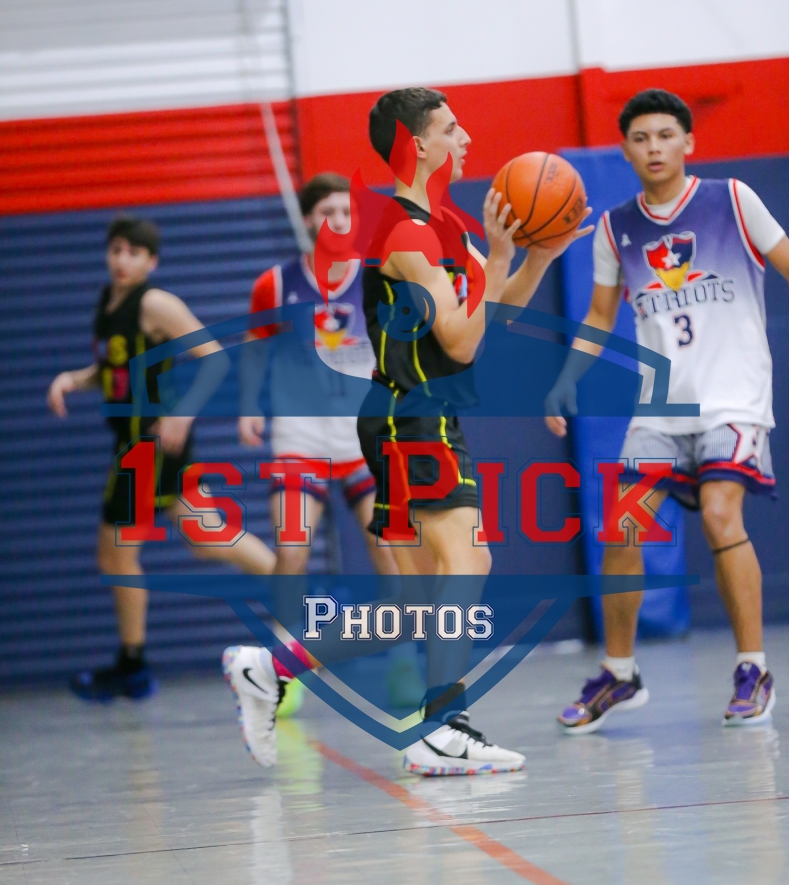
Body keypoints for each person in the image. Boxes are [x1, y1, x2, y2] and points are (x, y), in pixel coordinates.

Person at [224, 88, 592, 775]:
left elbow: (494, 316)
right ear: (418, 145)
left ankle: (269, 669)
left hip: (412, 416)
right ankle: (445, 726)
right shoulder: (406, 233)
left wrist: (541, 255)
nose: (466, 138)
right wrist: (501, 257)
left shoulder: (442, 225)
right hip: (412, 416)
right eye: (452, 129)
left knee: (417, 605)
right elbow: (460, 342)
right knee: (471, 561)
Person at [546, 88, 789, 732]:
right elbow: (599, 314)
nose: (654, 147)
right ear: (626, 149)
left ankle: (752, 668)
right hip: (659, 410)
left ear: (689, 141)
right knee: (623, 528)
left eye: (665, 135)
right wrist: (565, 380)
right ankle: (620, 673)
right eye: (641, 138)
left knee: (719, 513)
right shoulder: (615, 228)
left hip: (733, 399)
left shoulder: (733, 199)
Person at [47, 215, 276, 701]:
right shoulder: (109, 304)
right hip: (138, 445)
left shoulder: (155, 303)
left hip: (148, 446)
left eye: (133, 252)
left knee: (116, 555)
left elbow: (215, 357)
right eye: (116, 249)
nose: (122, 259)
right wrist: (74, 379)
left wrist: (182, 415)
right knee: (205, 537)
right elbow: (114, 371)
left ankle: (133, 667)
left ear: (151, 261)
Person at [233, 173, 413, 719]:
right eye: (327, 211)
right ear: (308, 219)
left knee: (388, 549)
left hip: (361, 438)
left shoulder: (376, 279)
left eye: (346, 211)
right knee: (292, 549)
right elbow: (254, 347)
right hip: (300, 437)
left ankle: (403, 659)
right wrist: (248, 405)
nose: (338, 220)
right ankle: (284, 667)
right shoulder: (275, 284)